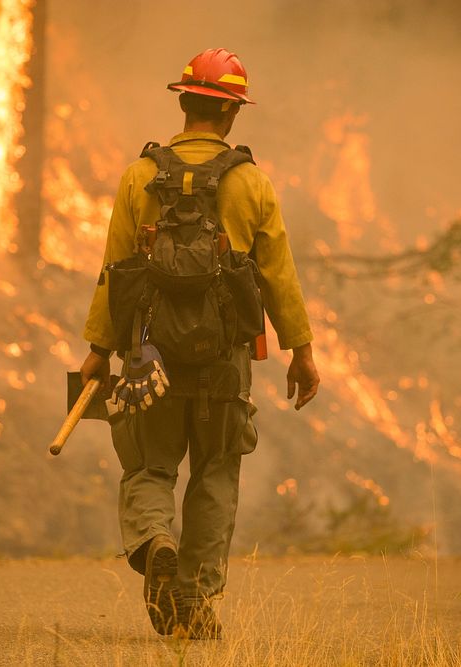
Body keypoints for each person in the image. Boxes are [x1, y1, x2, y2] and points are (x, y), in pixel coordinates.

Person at [79, 48, 319, 639]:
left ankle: (156, 540)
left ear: (183, 102)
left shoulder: (140, 177)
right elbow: (278, 275)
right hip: (223, 366)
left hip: (146, 358)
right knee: (215, 472)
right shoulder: (251, 184)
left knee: (149, 469)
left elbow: (114, 270)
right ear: (233, 113)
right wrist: (302, 351)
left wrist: (97, 350)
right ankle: (193, 602)